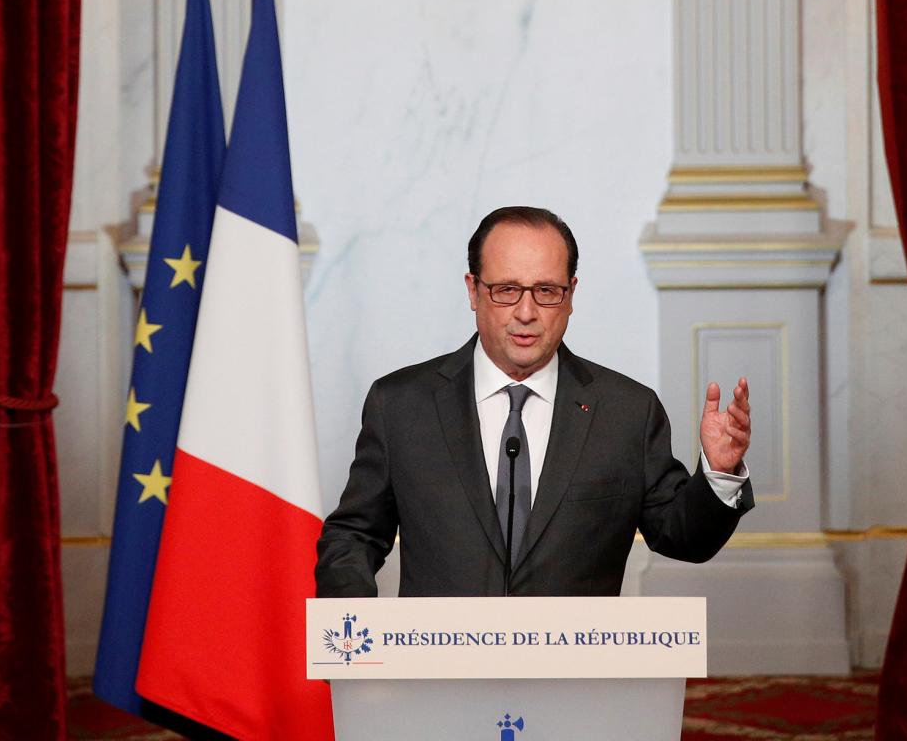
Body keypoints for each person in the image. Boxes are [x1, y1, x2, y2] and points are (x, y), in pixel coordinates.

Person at [315, 206, 755, 597]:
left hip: (575, 679)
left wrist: (720, 472)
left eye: (546, 291)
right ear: (473, 290)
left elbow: (683, 538)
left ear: (570, 294)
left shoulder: (626, 412)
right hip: (439, 679)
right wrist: (356, 636)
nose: (526, 312)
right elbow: (354, 533)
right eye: (506, 290)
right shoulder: (401, 406)